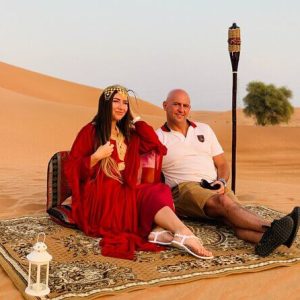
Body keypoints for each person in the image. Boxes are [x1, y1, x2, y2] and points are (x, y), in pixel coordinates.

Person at [64, 85, 213, 260]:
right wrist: (96, 157)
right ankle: (179, 232)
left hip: (125, 189)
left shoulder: (127, 133)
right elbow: (71, 169)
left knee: (160, 189)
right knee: (146, 195)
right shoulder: (91, 131)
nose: (121, 107)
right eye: (116, 102)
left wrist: (134, 117)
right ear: (105, 105)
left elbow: (155, 144)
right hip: (102, 195)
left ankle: (179, 232)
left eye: (125, 103)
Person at [156, 88, 300, 257]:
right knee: (224, 202)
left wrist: (222, 181)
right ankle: (273, 226)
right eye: (176, 104)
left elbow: (222, 163)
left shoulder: (205, 129)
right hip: (184, 188)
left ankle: (267, 240)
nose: (181, 109)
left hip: (212, 185)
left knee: (233, 218)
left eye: (185, 105)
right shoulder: (157, 137)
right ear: (165, 106)